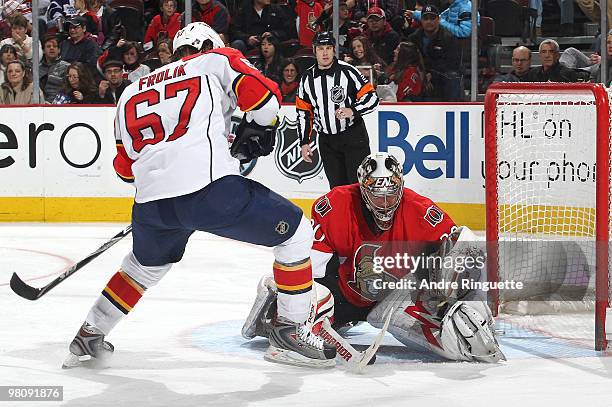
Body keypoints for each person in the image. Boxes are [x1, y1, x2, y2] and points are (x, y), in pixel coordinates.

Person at [63, 22, 336, 369]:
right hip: (210, 193)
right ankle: (291, 331)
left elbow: (124, 169)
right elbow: (266, 100)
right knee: (297, 233)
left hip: (151, 205)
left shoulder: (130, 92)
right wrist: (261, 126)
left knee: (143, 268)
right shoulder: (215, 60)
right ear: (209, 44)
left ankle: (91, 331)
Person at [242, 152, 506, 363]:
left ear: (401, 187)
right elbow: (311, 265)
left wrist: (469, 301)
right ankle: (277, 305)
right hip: (346, 294)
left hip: (393, 300)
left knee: (457, 337)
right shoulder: (336, 205)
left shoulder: (421, 211)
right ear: (362, 189)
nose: (385, 203)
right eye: (377, 196)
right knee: (297, 310)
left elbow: (466, 249)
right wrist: (299, 299)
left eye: (391, 195)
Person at [298, 31, 379, 189]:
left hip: (353, 137)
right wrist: (304, 142)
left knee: (359, 188)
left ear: (334, 50)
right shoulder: (307, 79)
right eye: (321, 48)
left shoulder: (348, 71)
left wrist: (352, 110)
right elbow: (303, 112)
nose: (325, 52)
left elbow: (372, 98)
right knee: (337, 190)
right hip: (327, 142)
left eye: (329, 47)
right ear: (314, 50)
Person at [407, 5, 463, 101]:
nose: (429, 22)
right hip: (420, 73)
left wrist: (432, 74)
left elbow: (453, 63)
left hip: (441, 74)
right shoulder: (413, 38)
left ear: (438, 19)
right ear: (421, 20)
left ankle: (453, 108)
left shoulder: (449, 38)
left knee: (452, 76)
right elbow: (410, 59)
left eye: (432, 18)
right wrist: (422, 73)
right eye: (425, 18)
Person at [39, 34, 71, 102]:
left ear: (59, 50)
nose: (52, 48)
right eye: (48, 46)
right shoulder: (37, 68)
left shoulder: (67, 67)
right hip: (39, 104)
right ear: (43, 51)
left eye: (54, 46)